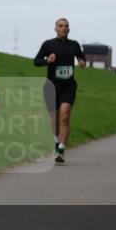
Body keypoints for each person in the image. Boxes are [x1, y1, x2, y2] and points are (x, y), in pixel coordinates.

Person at [33, 18, 87, 164]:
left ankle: (61, 149)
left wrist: (82, 62)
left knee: (64, 116)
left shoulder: (74, 45)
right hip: (51, 86)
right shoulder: (48, 44)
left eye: (66, 26)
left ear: (69, 29)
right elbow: (36, 61)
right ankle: (56, 142)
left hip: (68, 85)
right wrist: (47, 61)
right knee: (54, 118)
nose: (63, 28)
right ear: (56, 28)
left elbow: (82, 58)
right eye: (61, 26)